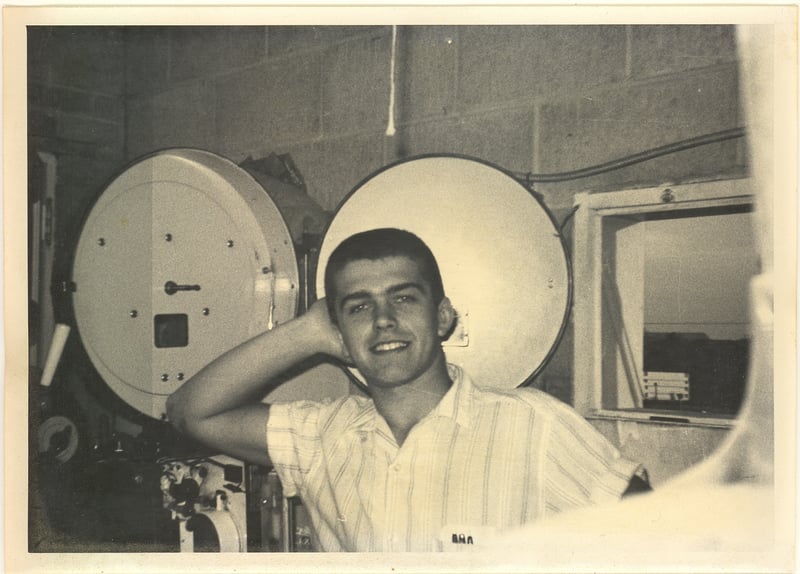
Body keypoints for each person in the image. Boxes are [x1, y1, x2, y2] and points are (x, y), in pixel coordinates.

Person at [167, 227, 649, 552]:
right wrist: (307, 332)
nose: (383, 321)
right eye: (358, 307)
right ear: (339, 333)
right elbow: (191, 412)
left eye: (403, 297)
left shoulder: (535, 427)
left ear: (442, 316)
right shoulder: (319, 435)